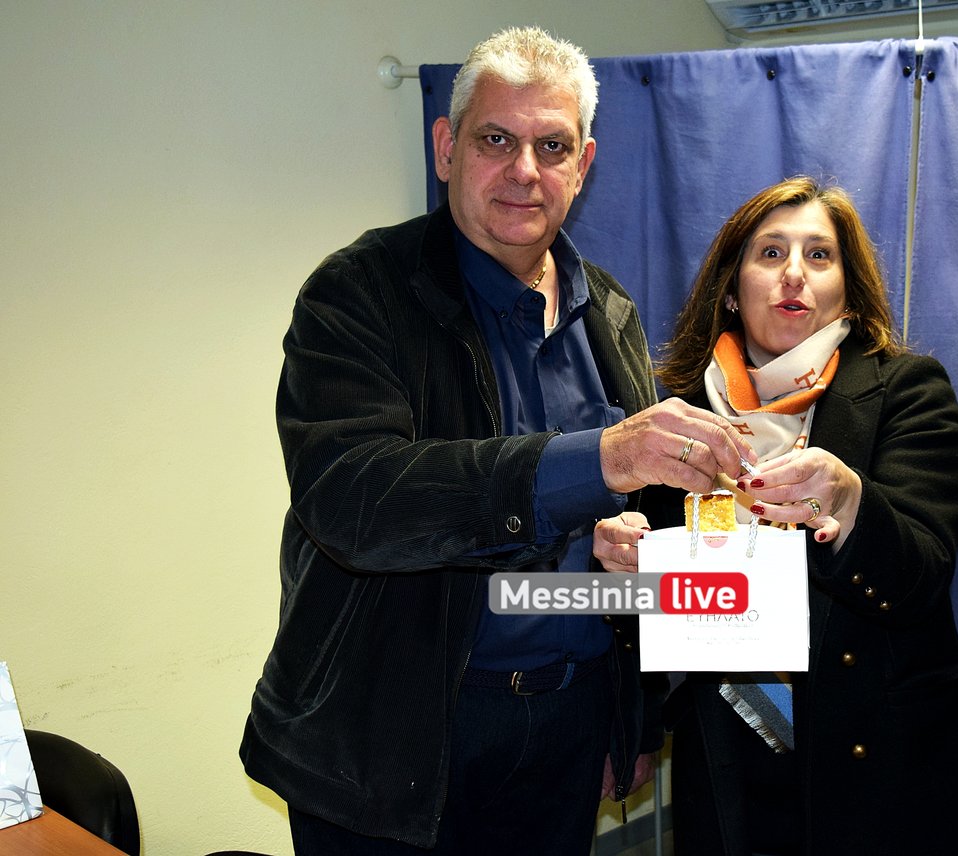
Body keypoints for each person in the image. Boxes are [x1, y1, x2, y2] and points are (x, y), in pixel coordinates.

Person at [239, 26, 754, 856]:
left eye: (552, 146)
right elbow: (354, 498)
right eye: (496, 140)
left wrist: (625, 707)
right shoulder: (359, 293)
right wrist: (601, 460)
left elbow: (611, 539)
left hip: (567, 727)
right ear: (446, 148)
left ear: (583, 166)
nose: (525, 170)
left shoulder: (609, 310)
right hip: (395, 741)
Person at [593, 176, 958, 854]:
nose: (793, 273)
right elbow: (657, 607)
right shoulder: (677, 415)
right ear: (732, 289)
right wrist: (622, 565)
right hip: (728, 745)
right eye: (770, 252)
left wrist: (849, 500)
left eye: (819, 255)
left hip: (877, 761)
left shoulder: (908, 391)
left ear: (847, 289)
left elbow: (922, 575)